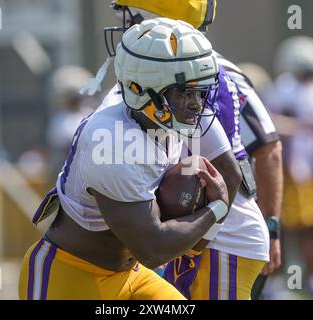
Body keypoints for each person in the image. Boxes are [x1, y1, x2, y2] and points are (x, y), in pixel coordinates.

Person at [18, 18, 233, 300]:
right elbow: (153, 249)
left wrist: (206, 213)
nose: (196, 104)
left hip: (131, 275)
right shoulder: (111, 141)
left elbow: (191, 246)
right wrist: (215, 209)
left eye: (199, 91)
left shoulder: (161, 119)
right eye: (184, 92)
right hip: (72, 276)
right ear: (141, 91)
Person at [97, 0, 282, 300]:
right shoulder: (171, 70)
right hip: (196, 234)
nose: (121, 23)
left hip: (223, 238)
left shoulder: (195, 75)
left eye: (127, 14)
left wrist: (201, 238)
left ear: (162, 21)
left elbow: (243, 161)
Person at [264, 36, 313, 297]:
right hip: (310, 169)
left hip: (300, 169)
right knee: (302, 228)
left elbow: (270, 125)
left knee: (296, 228)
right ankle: (306, 280)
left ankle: (298, 280)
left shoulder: (286, 89)